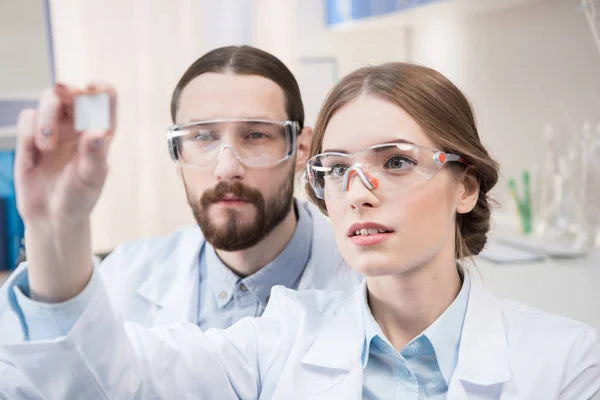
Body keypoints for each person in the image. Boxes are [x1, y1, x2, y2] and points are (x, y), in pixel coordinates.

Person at [2, 62, 599, 399]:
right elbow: (103, 380)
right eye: (338, 170)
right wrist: (59, 226)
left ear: (465, 186)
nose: (358, 190)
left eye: (394, 161)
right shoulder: (278, 341)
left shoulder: (567, 364)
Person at [0, 45, 359, 343]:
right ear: (177, 153)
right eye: (202, 137)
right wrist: (56, 226)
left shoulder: (369, 281)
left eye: (256, 136)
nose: (226, 168)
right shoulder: (127, 279)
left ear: (300, 149)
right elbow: (52, 377)